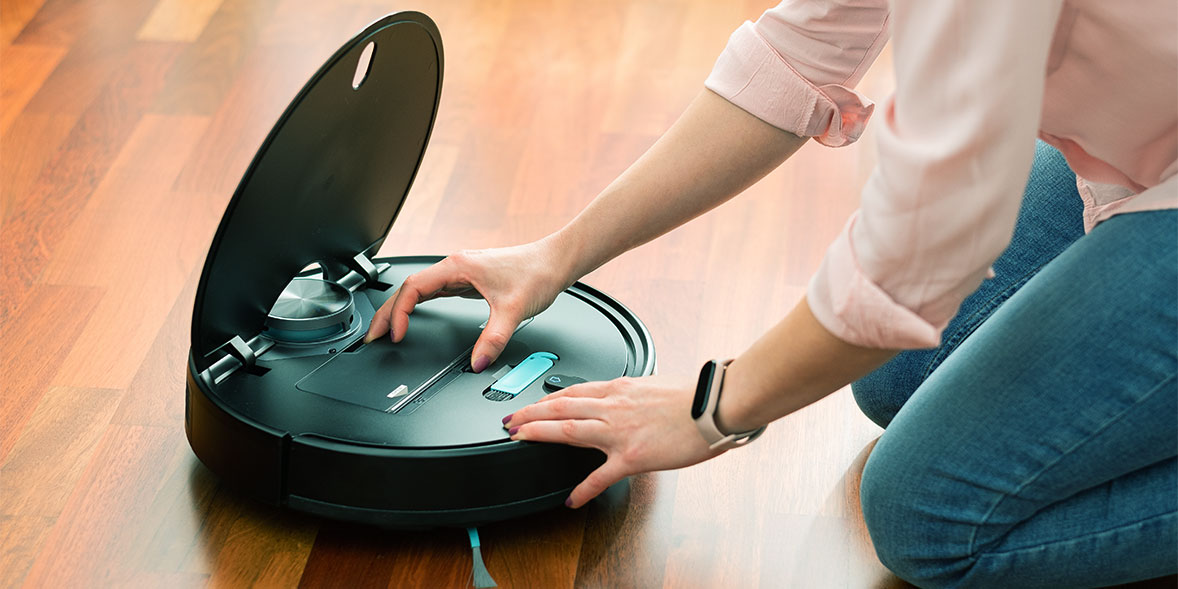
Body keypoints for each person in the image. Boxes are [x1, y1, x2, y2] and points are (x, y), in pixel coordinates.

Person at [365, 1, 1177, 586]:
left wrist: (714, 408)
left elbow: (921, 253)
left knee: (927, 519)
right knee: (890, 380)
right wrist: (555, 255)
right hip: (1143, 140)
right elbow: (794, 59)